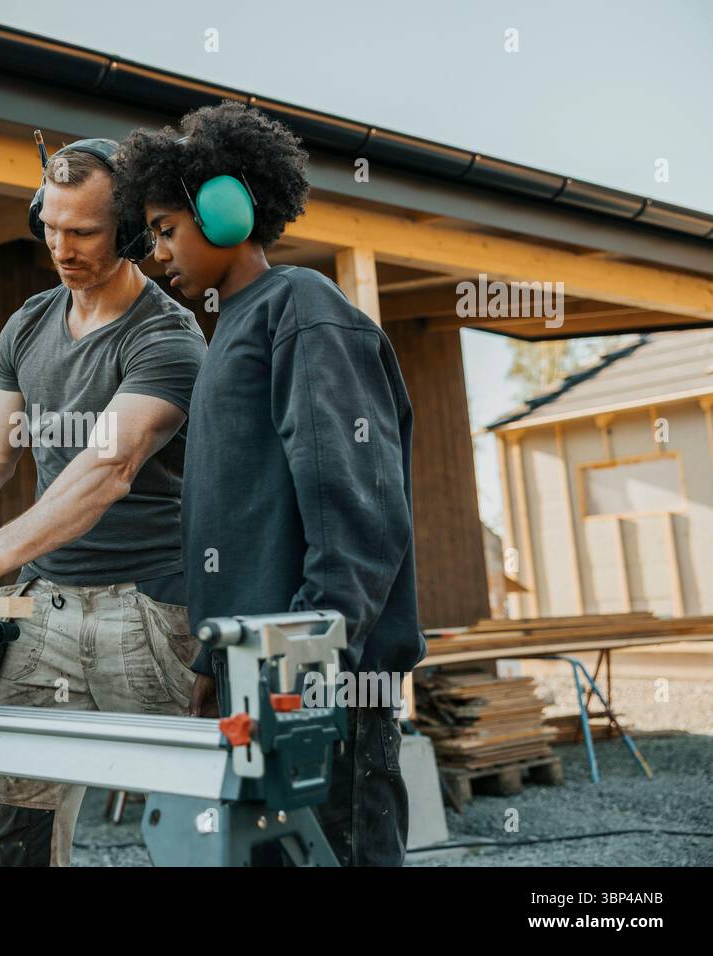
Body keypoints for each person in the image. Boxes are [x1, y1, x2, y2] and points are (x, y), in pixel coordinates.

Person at [112, 101, 427, 866]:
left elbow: (358, 510)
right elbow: (235, 522)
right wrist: (213, 666)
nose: (156, 253)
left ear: (225, 211)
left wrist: (309, 664)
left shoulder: (304, 310)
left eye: (164, 228)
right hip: (261, 676)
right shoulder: (232, 331)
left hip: (321, 687)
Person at [0, 137, 207, 866]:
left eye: (83, 231)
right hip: (48, 606)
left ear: (129, 232)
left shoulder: (166, 337)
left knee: (192, 824)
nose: (61, 247)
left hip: (150, 611)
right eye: (50, 226)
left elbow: (108, 466)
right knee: (15, 823)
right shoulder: (28, 324)